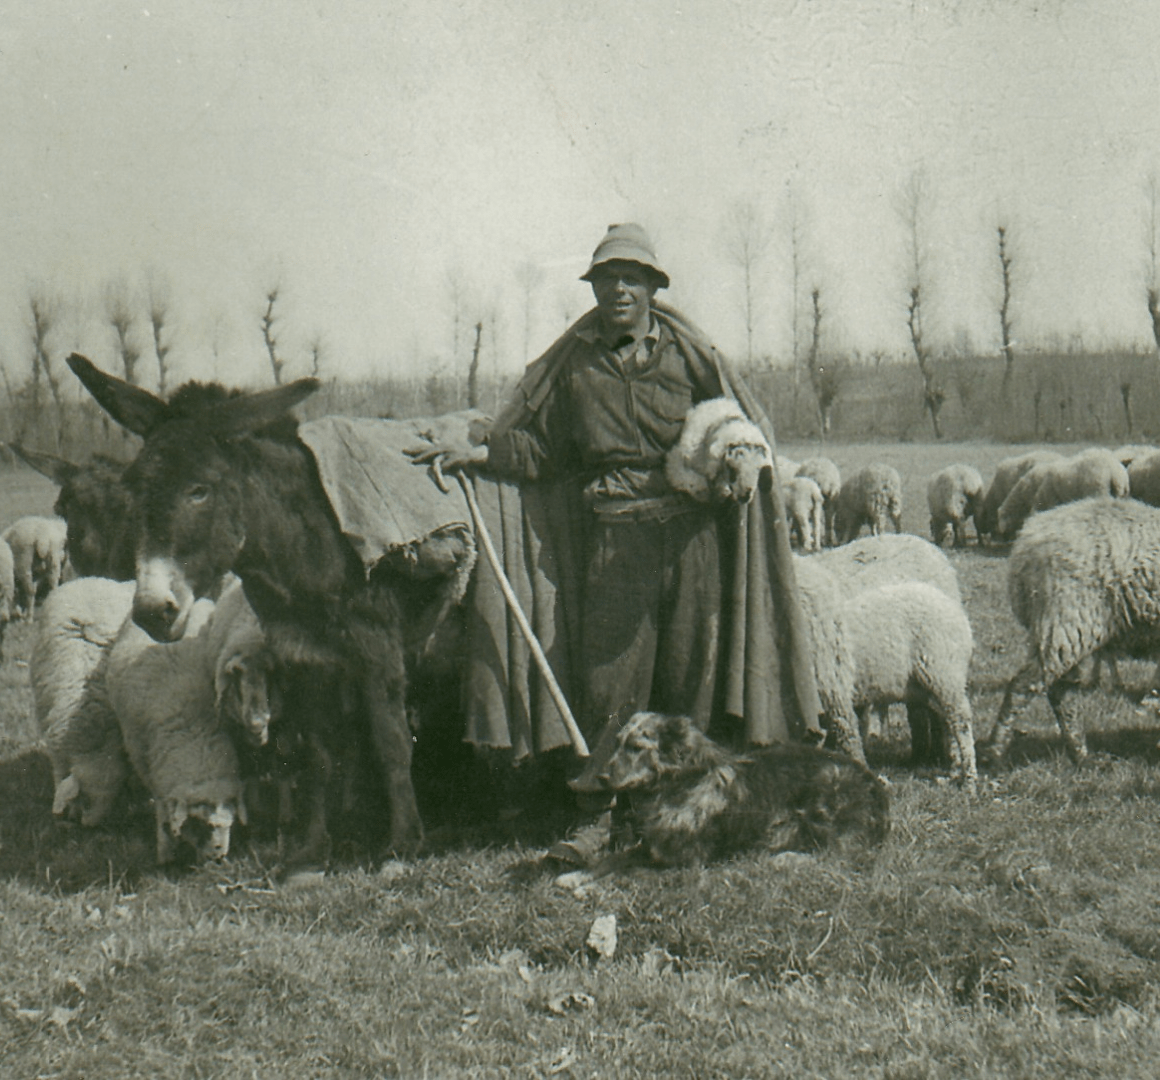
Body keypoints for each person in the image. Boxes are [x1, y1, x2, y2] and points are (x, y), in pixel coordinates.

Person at [413, 223, 823, 850]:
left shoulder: (688, 355)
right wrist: (480, 451)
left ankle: (694, 809)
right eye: (607, 277)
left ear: (654, 287)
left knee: (692, 675)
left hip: (692, 540)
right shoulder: (575, 363)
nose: (619, 288)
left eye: (631, 277)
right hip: (615, 539)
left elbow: (735, 423)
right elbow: (541, 449)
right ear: (595, 287)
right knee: (609, 684)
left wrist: (741, 456)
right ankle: (597, 816)